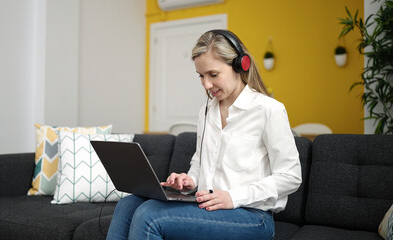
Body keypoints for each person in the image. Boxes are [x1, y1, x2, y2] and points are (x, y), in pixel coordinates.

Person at [106, 29, 302, 240]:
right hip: (208, 205)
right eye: (201, 76)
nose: (206, 85)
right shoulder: (207, 111)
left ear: (239, 66)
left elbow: (290, 177)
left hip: (252, 216)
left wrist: (232, 197)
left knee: (149, 216)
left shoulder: (269, 110)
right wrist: (189, 180)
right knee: (128, 204)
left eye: (213, 74)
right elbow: (199, 162)